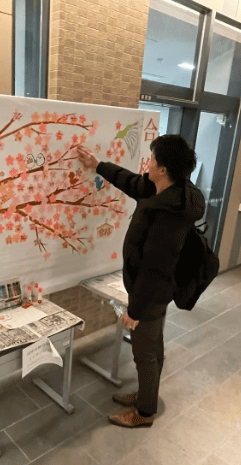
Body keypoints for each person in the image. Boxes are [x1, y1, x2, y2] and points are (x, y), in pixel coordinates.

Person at [77, 135, 205, 428]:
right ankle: (147, 394)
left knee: (144, 352)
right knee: (153, 344)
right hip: (158, 289)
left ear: (162, 169)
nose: (147, 163)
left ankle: (144, 413)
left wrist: (134, 311)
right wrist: (97, 164)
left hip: (152, 291)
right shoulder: (169, 190)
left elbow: (154, 268)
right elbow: (131, 182)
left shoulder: (167, 213)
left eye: (152, 159)